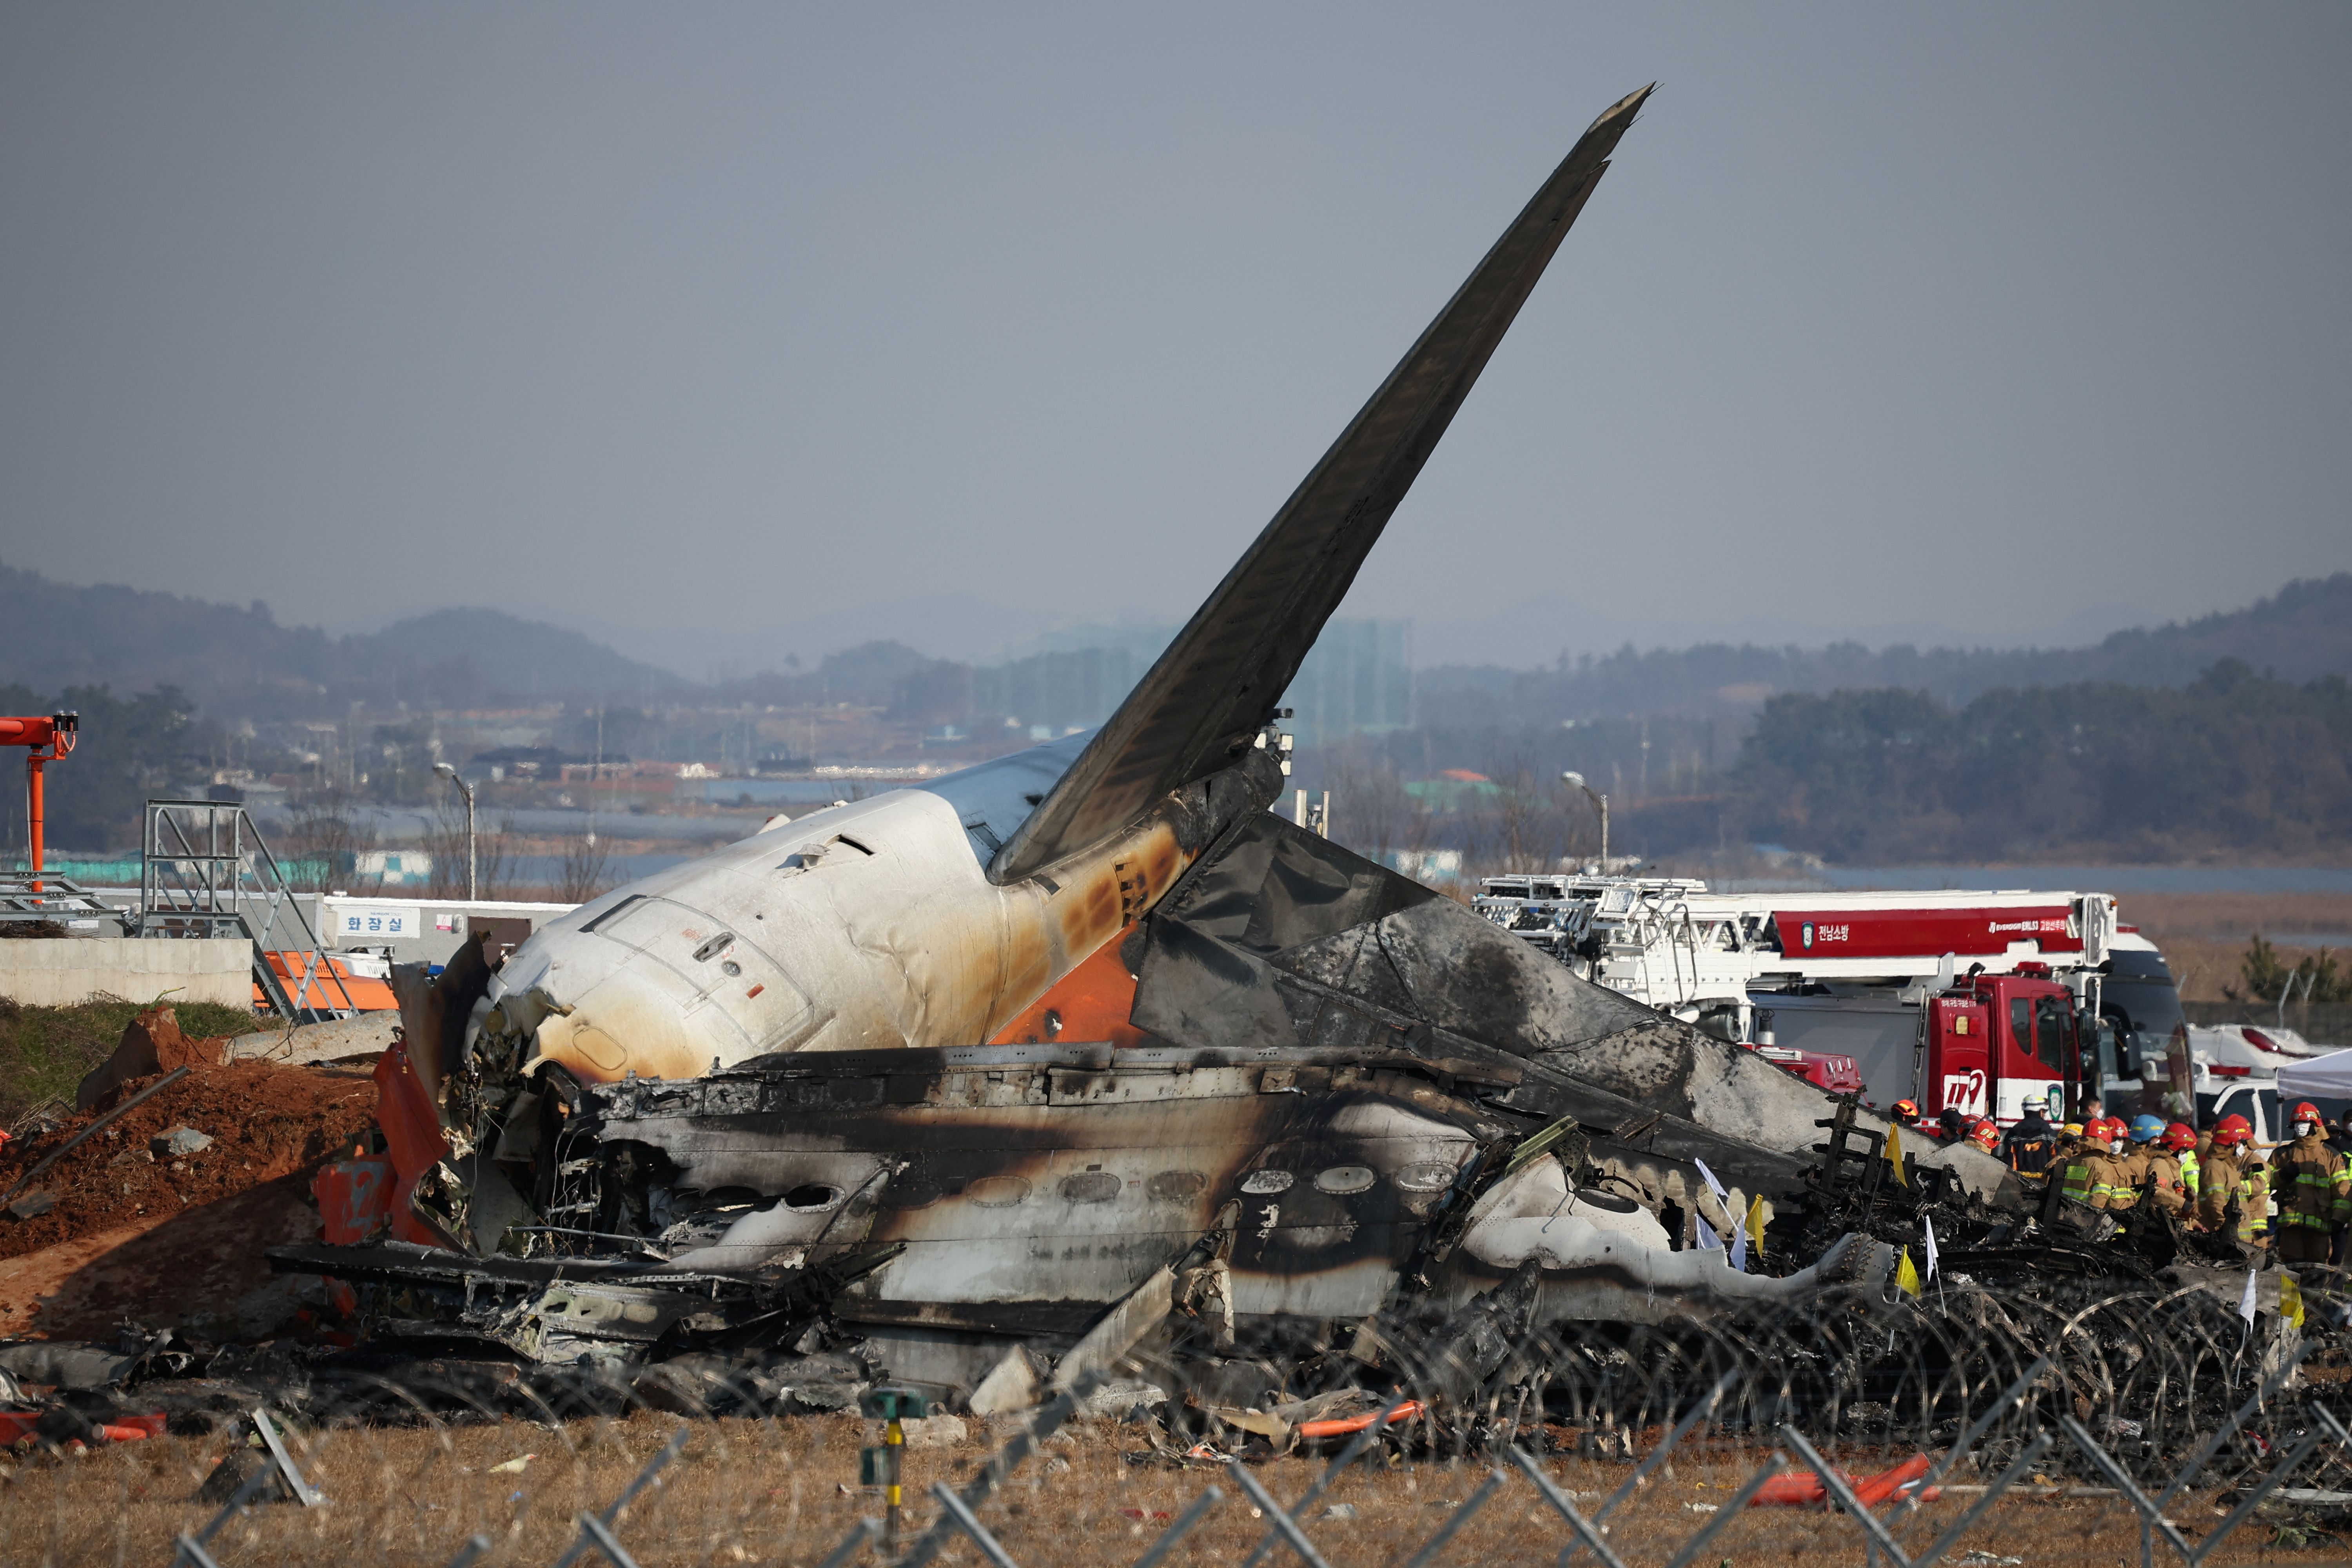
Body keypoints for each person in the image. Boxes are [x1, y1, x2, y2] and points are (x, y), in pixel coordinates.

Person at [2270, 1101, 2351, 1265]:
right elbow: (2264, 1183)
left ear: (2315, 1125)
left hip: (2320, 1226)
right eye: (2298, 1123)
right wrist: (2281, 1176)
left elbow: (2341, 1190)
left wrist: (2339, 1219)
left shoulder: (2330, 1156)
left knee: (2318, 1268)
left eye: (2305, 1123)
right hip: (2290, 1225)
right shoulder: (2283, 1154)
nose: (2301, 1127)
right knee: (2291, 1267)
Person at [2198, 1114, 2267, 1253]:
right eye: (2241, 1142)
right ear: (2232, 1144)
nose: (2242, 1147)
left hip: (2239, 1241)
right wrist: (2227, 1232)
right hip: (2229, 1242)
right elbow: (2216, 1203)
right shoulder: (2214, 1167)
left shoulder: (2227, 1166)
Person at [2004, 1101, 2059, 1181]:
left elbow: (2009, 1163)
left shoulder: (2012, 1135)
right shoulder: (2051, 1135)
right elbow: (2056, 1161)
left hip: (2018, 1185)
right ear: (2041, 1112)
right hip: (2044, 1186)